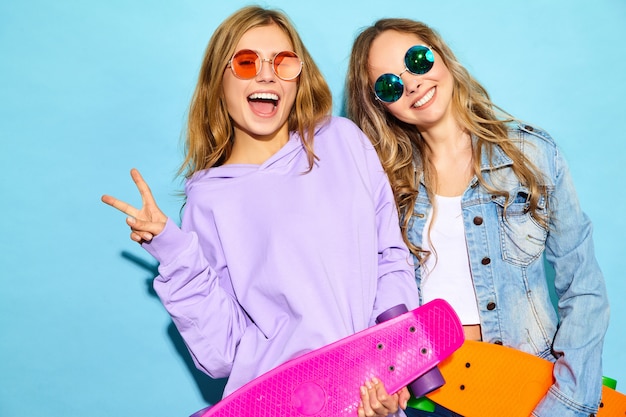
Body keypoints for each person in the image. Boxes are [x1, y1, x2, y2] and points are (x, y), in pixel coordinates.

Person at [102, 6, 420, 417]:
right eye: (247, 61)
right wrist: (173, 251)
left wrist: (395, 364)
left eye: (283, 62)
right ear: (218, 79)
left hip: (368, 396)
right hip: (282, 406)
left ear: (298, 76)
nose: (267, 74)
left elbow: (389, 258)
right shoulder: (209, 199)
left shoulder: (342, 141)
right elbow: (221, 354)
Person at [346, 18, 609, 417]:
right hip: (430, 400)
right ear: (378, 104)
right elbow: (371, 309)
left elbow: (584, 287)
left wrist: (567, 402)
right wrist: (385, 395)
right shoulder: (384, 188)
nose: (412, 83)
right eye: (389, 84)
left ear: (440, 55)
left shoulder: (532, 155)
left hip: (532, 392)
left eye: (416, 60)